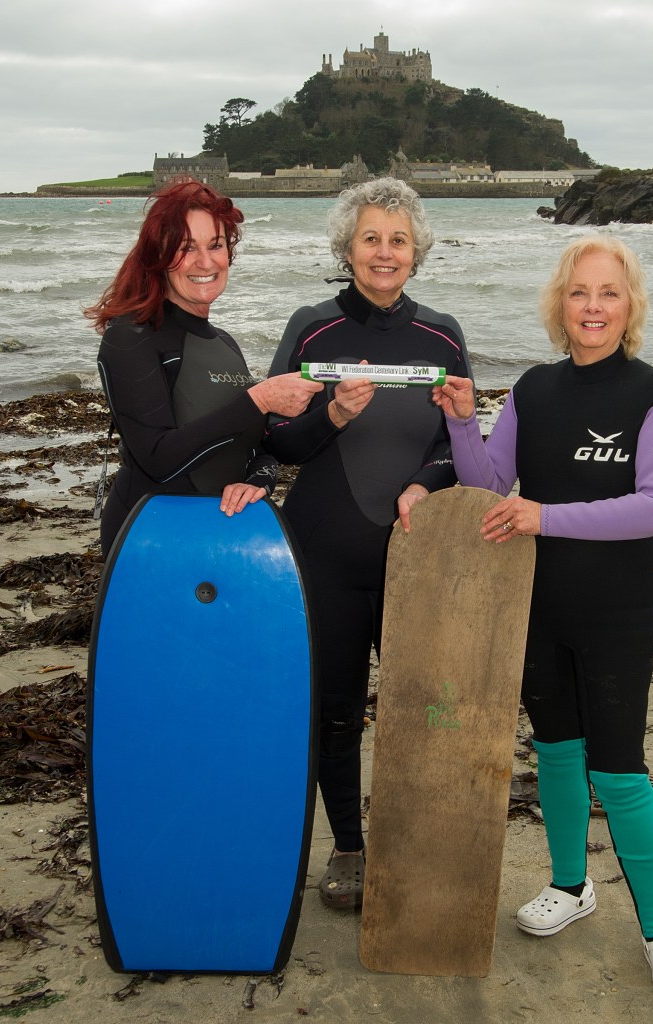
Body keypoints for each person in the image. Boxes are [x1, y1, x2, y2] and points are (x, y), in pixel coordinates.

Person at [432, 235, 653, 996]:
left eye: (608, 293)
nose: (593, 306)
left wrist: (544, 517)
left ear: (630, 306)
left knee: (619, 770)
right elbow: (492, 487)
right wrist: (461, 422)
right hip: (538, 606)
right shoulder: (533, 388)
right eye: (579, 292)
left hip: (615, 611)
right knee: (555, 750)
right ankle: (569, 884)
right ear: (561, 304)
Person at [264, 177, 473, 909]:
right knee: (336, 709)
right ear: (347, 248)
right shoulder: (312, 328)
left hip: (416, 556)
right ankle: (349, 848)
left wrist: (424, 484)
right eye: (371, 238)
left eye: (398, 239)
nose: (384, 252)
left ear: (417, 251)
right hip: (325, 551)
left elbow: (460, 447)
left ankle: (415, 840)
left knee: (427, 705)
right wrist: (334, 420)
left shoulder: (443, 334)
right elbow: (278, 441)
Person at [85, 180, 322, 557]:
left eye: (215, 245)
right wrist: (259, 398)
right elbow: (158, 459)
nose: (205, 262)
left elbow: (256, 448)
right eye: (186, 248)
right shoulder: (131, 337)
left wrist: (259, 481)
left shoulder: (224, 343)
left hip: (222, 534)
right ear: (159, 256)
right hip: (150, 536)